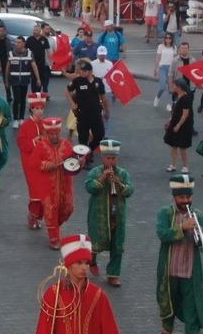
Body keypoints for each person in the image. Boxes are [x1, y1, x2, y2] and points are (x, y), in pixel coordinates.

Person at [33, 233, 130, 334]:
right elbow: (44, 329)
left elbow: (109, 332)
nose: (84, 267)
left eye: (86, 263)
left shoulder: (98, 296)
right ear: (68, 265)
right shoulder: (54, 294)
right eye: (79, 263)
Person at [157, 174, 203, 334]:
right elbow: (162, 234)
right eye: (182, 198)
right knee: (168, 301)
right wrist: (182, 228)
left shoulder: (198, 215)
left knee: (193, 305)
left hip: (190, 271)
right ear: (174, 197)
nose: (186, 201)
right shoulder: (165, 213)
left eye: (188, 197)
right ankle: (167, 328)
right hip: (169, 269)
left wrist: (200, 231)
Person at [85, 140, 133, 287]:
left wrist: (119, 183)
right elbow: (89, 187)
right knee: (95, 241)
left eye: (113, 158)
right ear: (103, 158)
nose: (111, 161)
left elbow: (130, 191)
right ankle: (91, 261)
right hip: (98, 216)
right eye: (108, 158)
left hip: (117, 216)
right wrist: (102, 178)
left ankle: (113, 274)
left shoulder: (123, 173)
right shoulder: (95, 172)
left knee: (117, 245)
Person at [34, 117, 76, 249]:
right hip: (48, 186)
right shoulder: (41, 146)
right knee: (51, 210)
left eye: (56, 133)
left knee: (68, 208)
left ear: (59, 132)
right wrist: (46, 165)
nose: (54, 136)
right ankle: (54, 236)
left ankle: (54, 226)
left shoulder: (67, 145)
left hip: (65, 185)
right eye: (51, 134)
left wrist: (80, 162)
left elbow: (75, 160)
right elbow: (33, 163)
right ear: (46, 134)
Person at [66, 59, 109, 163]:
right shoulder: (78, 81)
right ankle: (83, 159)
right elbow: (67, 90)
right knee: (83, 139)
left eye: (84, 71)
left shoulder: (98, 81)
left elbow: (103, 97)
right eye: (81, 70)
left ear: (90, 71)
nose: (81, 72)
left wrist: (107, 111)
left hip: (96, 115)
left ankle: (88, 152)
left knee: (99, 135)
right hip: (82, 115)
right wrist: (72, 103)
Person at [17, 94, 50, 230]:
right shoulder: (25, 125)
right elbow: (21, 143)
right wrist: (34, 141)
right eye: (37, 108)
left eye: (41, 108)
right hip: (30, 163)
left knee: (44, 191)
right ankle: (33, 216)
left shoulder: (45, 124)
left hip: (44, 163)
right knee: (35, 191)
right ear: (31, 109)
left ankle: (38, 217)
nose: (40, 111)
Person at [5, 36, 38, 127]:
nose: (17, 44)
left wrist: (38, 78)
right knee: (17, 99)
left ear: (23, 43)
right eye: (16, 42)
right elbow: (7, 68)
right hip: (14, 81)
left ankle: (21, 118)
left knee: (23, 100)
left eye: (19, 42)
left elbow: (34, 66)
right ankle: (15, 119)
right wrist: (6, 80)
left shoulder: (29, 53)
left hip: (25, 80)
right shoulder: (11, 54)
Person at [165, 76, 194, 173]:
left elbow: (185, 114)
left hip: (183, 126)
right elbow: (175, 112)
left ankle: (185, 166)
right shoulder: (177, 97)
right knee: (174, 145)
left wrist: (178, 125)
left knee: (182, 147)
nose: (173, 87)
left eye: (174, 85)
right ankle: (173, 164)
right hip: (175, 123)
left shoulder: (186, 98)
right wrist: (169, 121)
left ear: (179, 87)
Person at [153, 32, 176, 107]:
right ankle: (157, 97)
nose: (168, 39)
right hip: (162, 68)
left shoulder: (174, 47)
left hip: (171, 68)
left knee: (170, 87)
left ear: (172, 39)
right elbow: (158, 58)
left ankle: (169, 104)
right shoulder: (161, 46)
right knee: (162, 87)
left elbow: (175, 59)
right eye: (166, 38)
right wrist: (155, 69)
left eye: (169, 38)